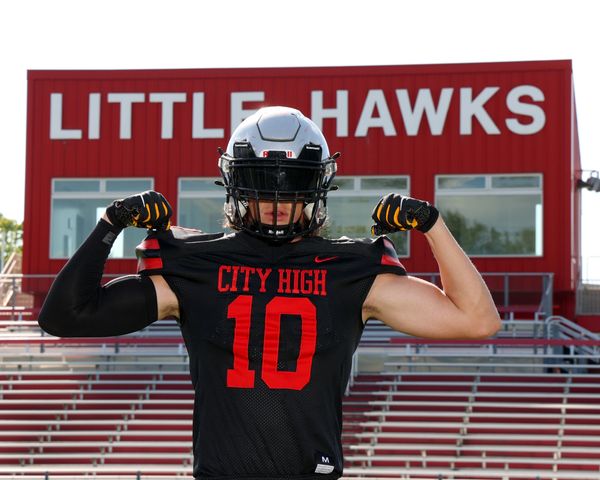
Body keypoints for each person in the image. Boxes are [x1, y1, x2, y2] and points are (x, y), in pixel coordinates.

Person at [38, 106, 501, 480]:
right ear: (238, 186)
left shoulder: (351, 270)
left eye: (293, 188)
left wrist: (434, 226)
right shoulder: (196, 264)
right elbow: (64, 317)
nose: (278, 203)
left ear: (315, 189)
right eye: (264, 187)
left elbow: (478, 320)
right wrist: (109, 223)